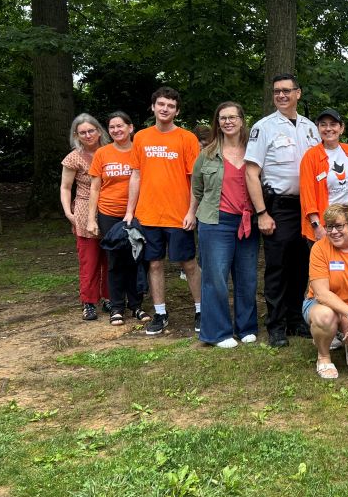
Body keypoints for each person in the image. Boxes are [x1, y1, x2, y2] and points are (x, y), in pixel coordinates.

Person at [245, 73, 320, 346]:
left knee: (301, 265)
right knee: (277, 267)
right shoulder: (263, 127)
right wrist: (262, 213)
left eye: (287, 91)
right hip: (279, 207)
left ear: (298, 93)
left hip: (307, 207)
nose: (281, 95)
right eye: (277, 91)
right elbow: (251, 173)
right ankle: (276, 325)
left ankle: (295, 319)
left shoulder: (311, 128)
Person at [124, 87, 202, 336]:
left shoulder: (187, 138)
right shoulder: (141, 137)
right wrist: (130, 211)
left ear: (177, 111)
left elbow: (195, 179)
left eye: (170, 105)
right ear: (153, 107)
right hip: (148, 214)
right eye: (161, 104)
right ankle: (160, 313)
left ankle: (201, 310)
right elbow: (136, 175)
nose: (165, 109)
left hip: (179, 214)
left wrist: (192, 211)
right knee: (154, 264)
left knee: (188, 263)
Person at [187, 102, 259, 349]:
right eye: (222, 118)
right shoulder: (207, 154)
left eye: (232, 117)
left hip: (248, 221)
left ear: (242, 120)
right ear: (217, 123)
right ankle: (218, 332)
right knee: (216, 277)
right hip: (215, 222)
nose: (228, 122)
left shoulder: (254, 151)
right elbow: (197, 188)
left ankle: (246, 327)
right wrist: (191, 213)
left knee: (247, 276)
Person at [87, 112, 150, 326]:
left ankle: (136, 305)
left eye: (120, 126)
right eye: (112, 127)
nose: (116, 130)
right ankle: (116, 307)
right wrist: (91, 218)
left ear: (130, 128)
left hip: (138, 213)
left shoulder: (140, 151)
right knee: (114, 261)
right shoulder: (102, 153)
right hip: (109, 213)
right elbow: (95, 188)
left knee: (136, 259)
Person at [304, 204, 348, 379]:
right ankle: (323, 357)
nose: (333, 232)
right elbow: (321, 294)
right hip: (322, 304)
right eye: (329, 227)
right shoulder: (319, 248)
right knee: (325, 317)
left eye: (339, 226)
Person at [61, 114, 110, 321]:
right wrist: (68, 212)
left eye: (91, 131)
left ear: (99, 131)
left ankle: (110, 297)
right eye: (83, 132)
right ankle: (88, 302)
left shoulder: (111, 151)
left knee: (110, 257)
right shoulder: (74, 157)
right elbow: (65, 187)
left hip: (110, 209)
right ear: (76, 135)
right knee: (89, 259)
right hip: (83, 210)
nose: (88, 135)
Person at [299, 107, 348, 241]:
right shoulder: (311, 156)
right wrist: (316, 226)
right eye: (323, 125)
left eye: (333, 124)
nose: (328, 128)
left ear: (341, 128)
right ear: (318, 129)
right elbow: (307, 195)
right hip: (326, 227)